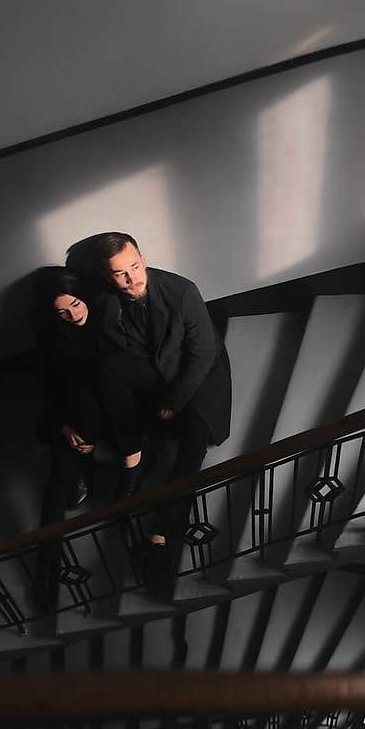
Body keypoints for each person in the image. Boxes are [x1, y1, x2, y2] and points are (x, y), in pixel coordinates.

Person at [87, 231, 231, 578]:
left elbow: (203, 354)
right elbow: (115, 347)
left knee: (194, 442)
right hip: (155, 371)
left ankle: (160, 535)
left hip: (197, 379)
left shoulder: (182, 291)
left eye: (135, 266)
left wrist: (175, 402)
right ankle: (132, 455)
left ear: (144, 259)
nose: (131, 278)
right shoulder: (107, 301)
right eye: (120, 273)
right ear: (108, 276)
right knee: (109, 370)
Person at [32, 267, 106, 525]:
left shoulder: (106, 316)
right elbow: (51, 390)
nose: (73, 315)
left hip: (109, 404)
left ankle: (90, 463)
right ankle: (48, 562)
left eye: (75, 304)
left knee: (89, 396)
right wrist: (64, 428)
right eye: (63, 312)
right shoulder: (52, 338)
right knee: (59, 475)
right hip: (73, 414)